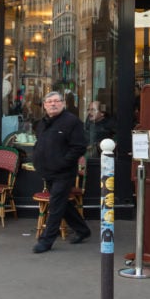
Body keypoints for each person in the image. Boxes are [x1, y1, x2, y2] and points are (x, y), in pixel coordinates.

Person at [32, 91, 89, 253]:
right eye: (49, 102)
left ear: (63, 104)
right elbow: (40, 143)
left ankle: (46, 241)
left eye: (56, 101)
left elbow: (79, 146)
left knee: (55, 204)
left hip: (64, 172)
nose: (53, 104)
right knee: (62, 204)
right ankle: (83, 229)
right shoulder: (43, 123)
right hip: (47, 171)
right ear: (44, 105)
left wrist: (64, 162)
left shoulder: (72, 122)